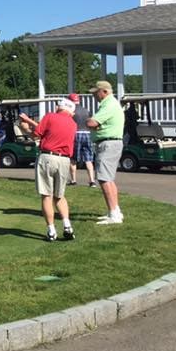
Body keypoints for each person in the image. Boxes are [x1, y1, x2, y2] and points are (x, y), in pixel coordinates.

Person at [20, 98, 77, 241]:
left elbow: (36, 134)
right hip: (65, 160)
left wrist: (25, 128)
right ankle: (67, 225)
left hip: (47, 157)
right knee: (60, 196)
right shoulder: (72, 123)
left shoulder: (50, 116)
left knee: (47, 195)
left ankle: (51, 230)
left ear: (60, 107)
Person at [86, 80, 126, 225]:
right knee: (108, 178)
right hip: (110, 142)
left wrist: (89, 121)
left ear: (104, 91)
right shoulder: (111, 104)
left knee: (104, 179)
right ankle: (115, 211)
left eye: (96, 92)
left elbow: (92, 123)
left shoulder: (109, 104)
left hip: (108, 143)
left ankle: (114, 215)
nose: (94, 95)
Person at [67, 93, 97, 187]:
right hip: (87, 134)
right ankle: (92, 181)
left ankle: (73, 180)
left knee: (73, 159)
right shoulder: (86, 110)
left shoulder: (71, 111)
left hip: (76, 134)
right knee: (88, 159)